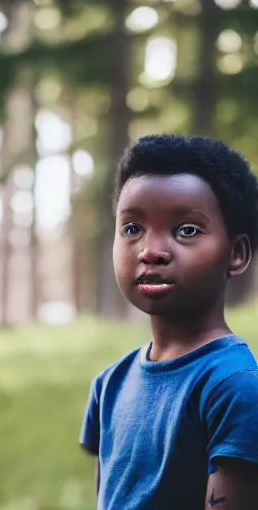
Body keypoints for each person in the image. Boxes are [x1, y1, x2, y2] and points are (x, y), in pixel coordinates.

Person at [80, 134, 258, 510]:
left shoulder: (235, 387)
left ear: (237, 254)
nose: (151, 251)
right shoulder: (110, 384)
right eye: (133, 229)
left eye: (187, 230)